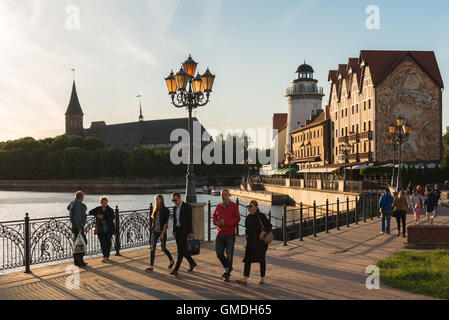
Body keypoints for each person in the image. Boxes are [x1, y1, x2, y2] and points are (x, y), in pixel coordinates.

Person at [236, 200, 272, 286]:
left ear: (255, 207)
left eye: (250, 206)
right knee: (247, 259)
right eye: (247, 206)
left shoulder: (261, 216)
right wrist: (246, 241)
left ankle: (262, 278)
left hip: (260, 242)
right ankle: (245, 279)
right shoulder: (248, 217)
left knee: (261, 259)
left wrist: (263, 232)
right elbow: (247, 230)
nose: (248, 207)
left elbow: (269, 226)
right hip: (250, 242)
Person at [213, 189, 240, 282]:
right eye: (222, 195)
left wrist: (226, 222)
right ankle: (228, 267)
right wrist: (216, 222)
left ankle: (227, 273)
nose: (223, 196)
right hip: (220, 233)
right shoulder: (218, 206)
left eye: (225, 194)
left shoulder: (234, 206)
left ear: (229, 195)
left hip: (230, 234)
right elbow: (214, 217)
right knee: (218, 252)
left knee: (229, 254)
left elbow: (237, 219)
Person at [170, 192, 197, 276]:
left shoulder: (187, 207)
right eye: (173, 200)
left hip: (184, 231)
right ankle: (192, 263)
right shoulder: (174, 208)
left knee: (180, 252)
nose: (174, 202)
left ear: (179, 198)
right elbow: (175, 221)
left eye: (175, 200)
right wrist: (174, 230)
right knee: (183, 250)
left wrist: (191, 232)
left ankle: (176, 269)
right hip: (177, 231)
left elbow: (190, 220)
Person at [146, 195, 174, 272]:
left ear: (162, 200)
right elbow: (153, 221)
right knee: (152, 249)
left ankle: (171, 260)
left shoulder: (166, 210)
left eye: (159, 199)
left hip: (162, 231)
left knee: (163, 249)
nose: (157, 200)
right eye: (156, 199)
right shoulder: (155, 209)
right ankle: (151, 266)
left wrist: (162, 233)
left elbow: (165, 223)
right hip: (155, 231)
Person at [89, 196, 116, 262]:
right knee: (102, 243)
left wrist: (103, 217)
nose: (104, 203)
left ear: (107, 202)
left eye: (105, 202)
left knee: (108, 243)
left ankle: (107, 256)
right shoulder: (98, 209)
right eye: (102, 202)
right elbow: (90, 212)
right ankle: (105, 257)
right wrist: (96, 215)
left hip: (108, 229)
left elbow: (112, 217)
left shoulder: (110, 210)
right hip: (100, 229)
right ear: (100, 202)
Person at [68, 191, 88, 267]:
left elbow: (68, 207)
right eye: (83, 196)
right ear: (81, 197)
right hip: (78, 227)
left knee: (77, 243)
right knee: (82, 243)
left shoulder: (73, 203)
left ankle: (77, 261)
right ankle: (79, 260)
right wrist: (79, 228)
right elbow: (77, 217)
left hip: (74, 226)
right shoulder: (78, 205)